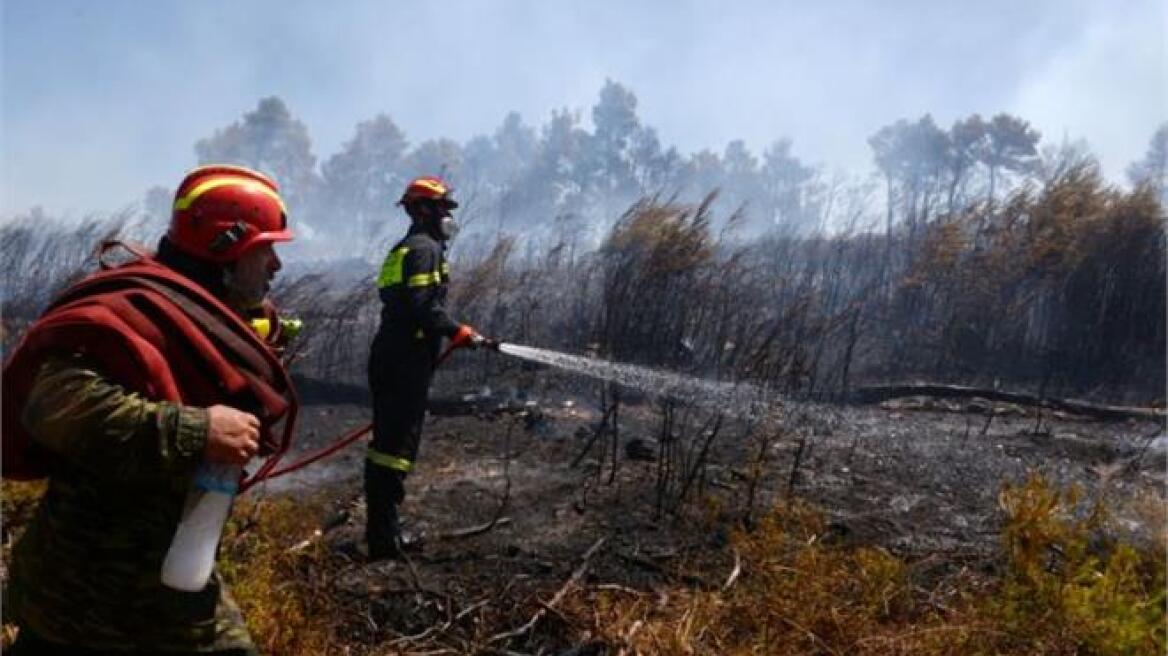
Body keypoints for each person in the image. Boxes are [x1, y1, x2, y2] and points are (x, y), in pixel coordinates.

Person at [2, 164, 298, 655]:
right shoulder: (128, 312)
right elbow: (56, 404)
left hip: (163, 579)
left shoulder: (201, 313)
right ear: (226, 247)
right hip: (87, 594)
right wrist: (198, 430)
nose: (275, 265)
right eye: (265, 248)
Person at [366, 175, 486, 561]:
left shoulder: (408, 247)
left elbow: (405, 304)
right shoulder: (423, 249)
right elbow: (421, 307)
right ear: (421, 210)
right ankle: (384, 540)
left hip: (395, 355)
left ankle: (384, 532)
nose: (448, 217)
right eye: (442, 209)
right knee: (395, 449)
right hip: (404, 360)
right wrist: (457, 331)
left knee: (388, 444)